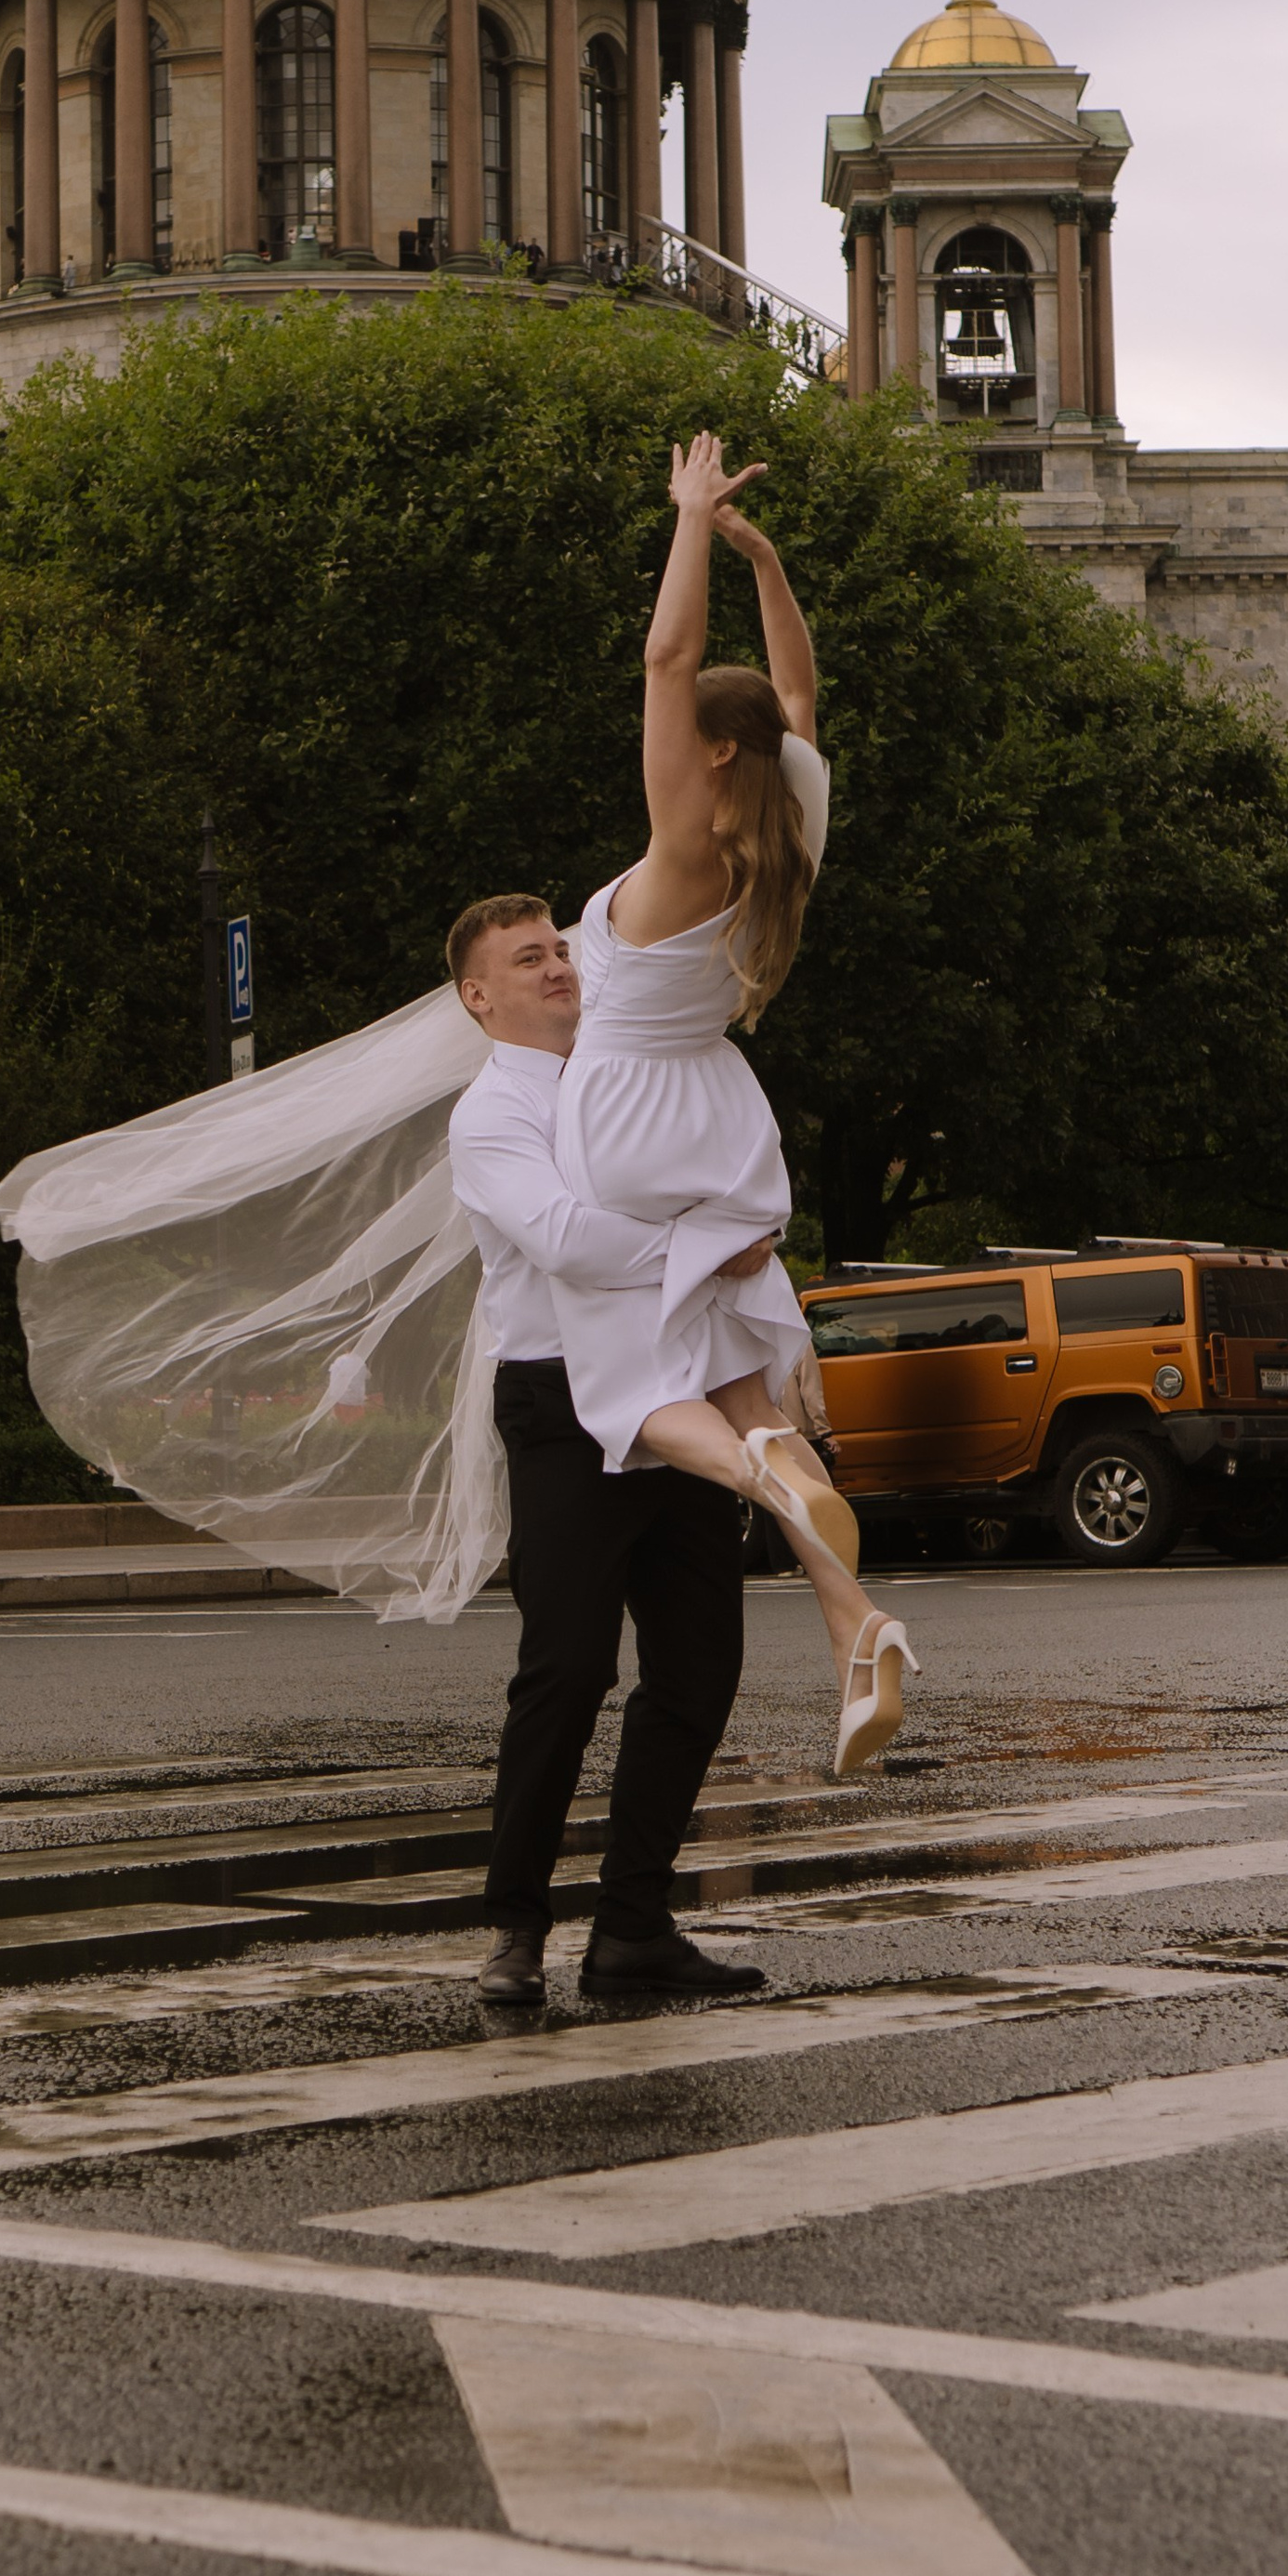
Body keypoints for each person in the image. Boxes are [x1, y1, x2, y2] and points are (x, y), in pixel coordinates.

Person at [545, 431, 917, 1778]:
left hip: (632, 1121)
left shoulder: (685, 836)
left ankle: (769, 1476)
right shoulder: (789, 820)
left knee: (633, 1388)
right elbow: (805, 698)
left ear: (706, 748)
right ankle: (853, 1626)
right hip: (721, 1116)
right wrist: (770, 562)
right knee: (746, 1384)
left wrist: (695, 524)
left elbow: (662, 660)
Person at [446, 894, 769, 2008]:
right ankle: (515, 1926)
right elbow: (566, 1242)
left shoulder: (625, 1077)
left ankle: (634, 1924)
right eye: (526, 958)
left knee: (697, 1669)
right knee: (568, 1668)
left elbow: (720, 1169)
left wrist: (730, 1226)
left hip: (674, 1386)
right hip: (561, 1403)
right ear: (476, 997)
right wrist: (705, 1246)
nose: (557, 967)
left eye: (560, 949)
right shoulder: (492, 1112)